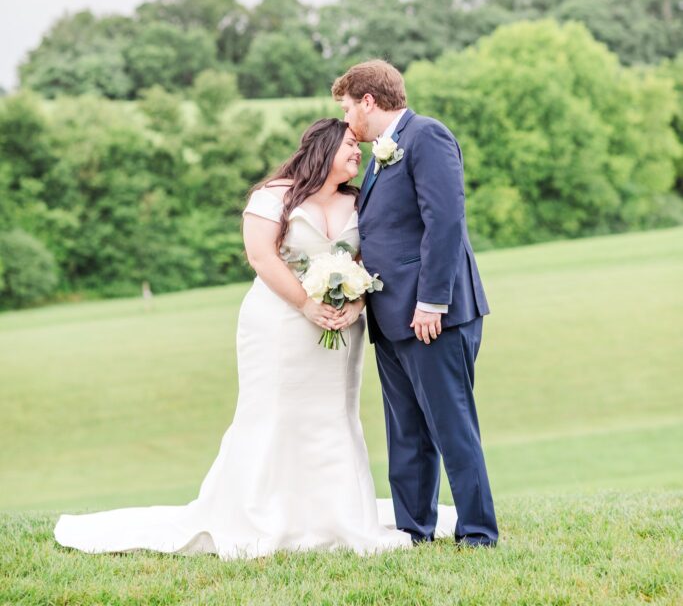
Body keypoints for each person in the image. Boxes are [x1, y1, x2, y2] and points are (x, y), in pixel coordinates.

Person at [54, 118, 455, 560]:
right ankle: (262, 514)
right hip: (279, 325)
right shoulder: (273, 197)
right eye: (348, 144)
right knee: (275, 412)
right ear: (322, 149)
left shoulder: (358, 202)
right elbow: (261, 256)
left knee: (333, 415)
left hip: (341, 328)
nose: (358, 151)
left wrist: (355, 305)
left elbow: (366, 257)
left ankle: (338, 514)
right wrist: (306, 303)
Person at [332, 60, 498, 546]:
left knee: (451, 426)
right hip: (392, 319)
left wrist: (432, 302)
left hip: (433, 317)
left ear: (368, 100)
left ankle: (478, 533)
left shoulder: (428, 136)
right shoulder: (385, 155)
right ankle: (412, 530)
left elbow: (445, 222)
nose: (346, 121)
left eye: (347, 108)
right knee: (406, 434)